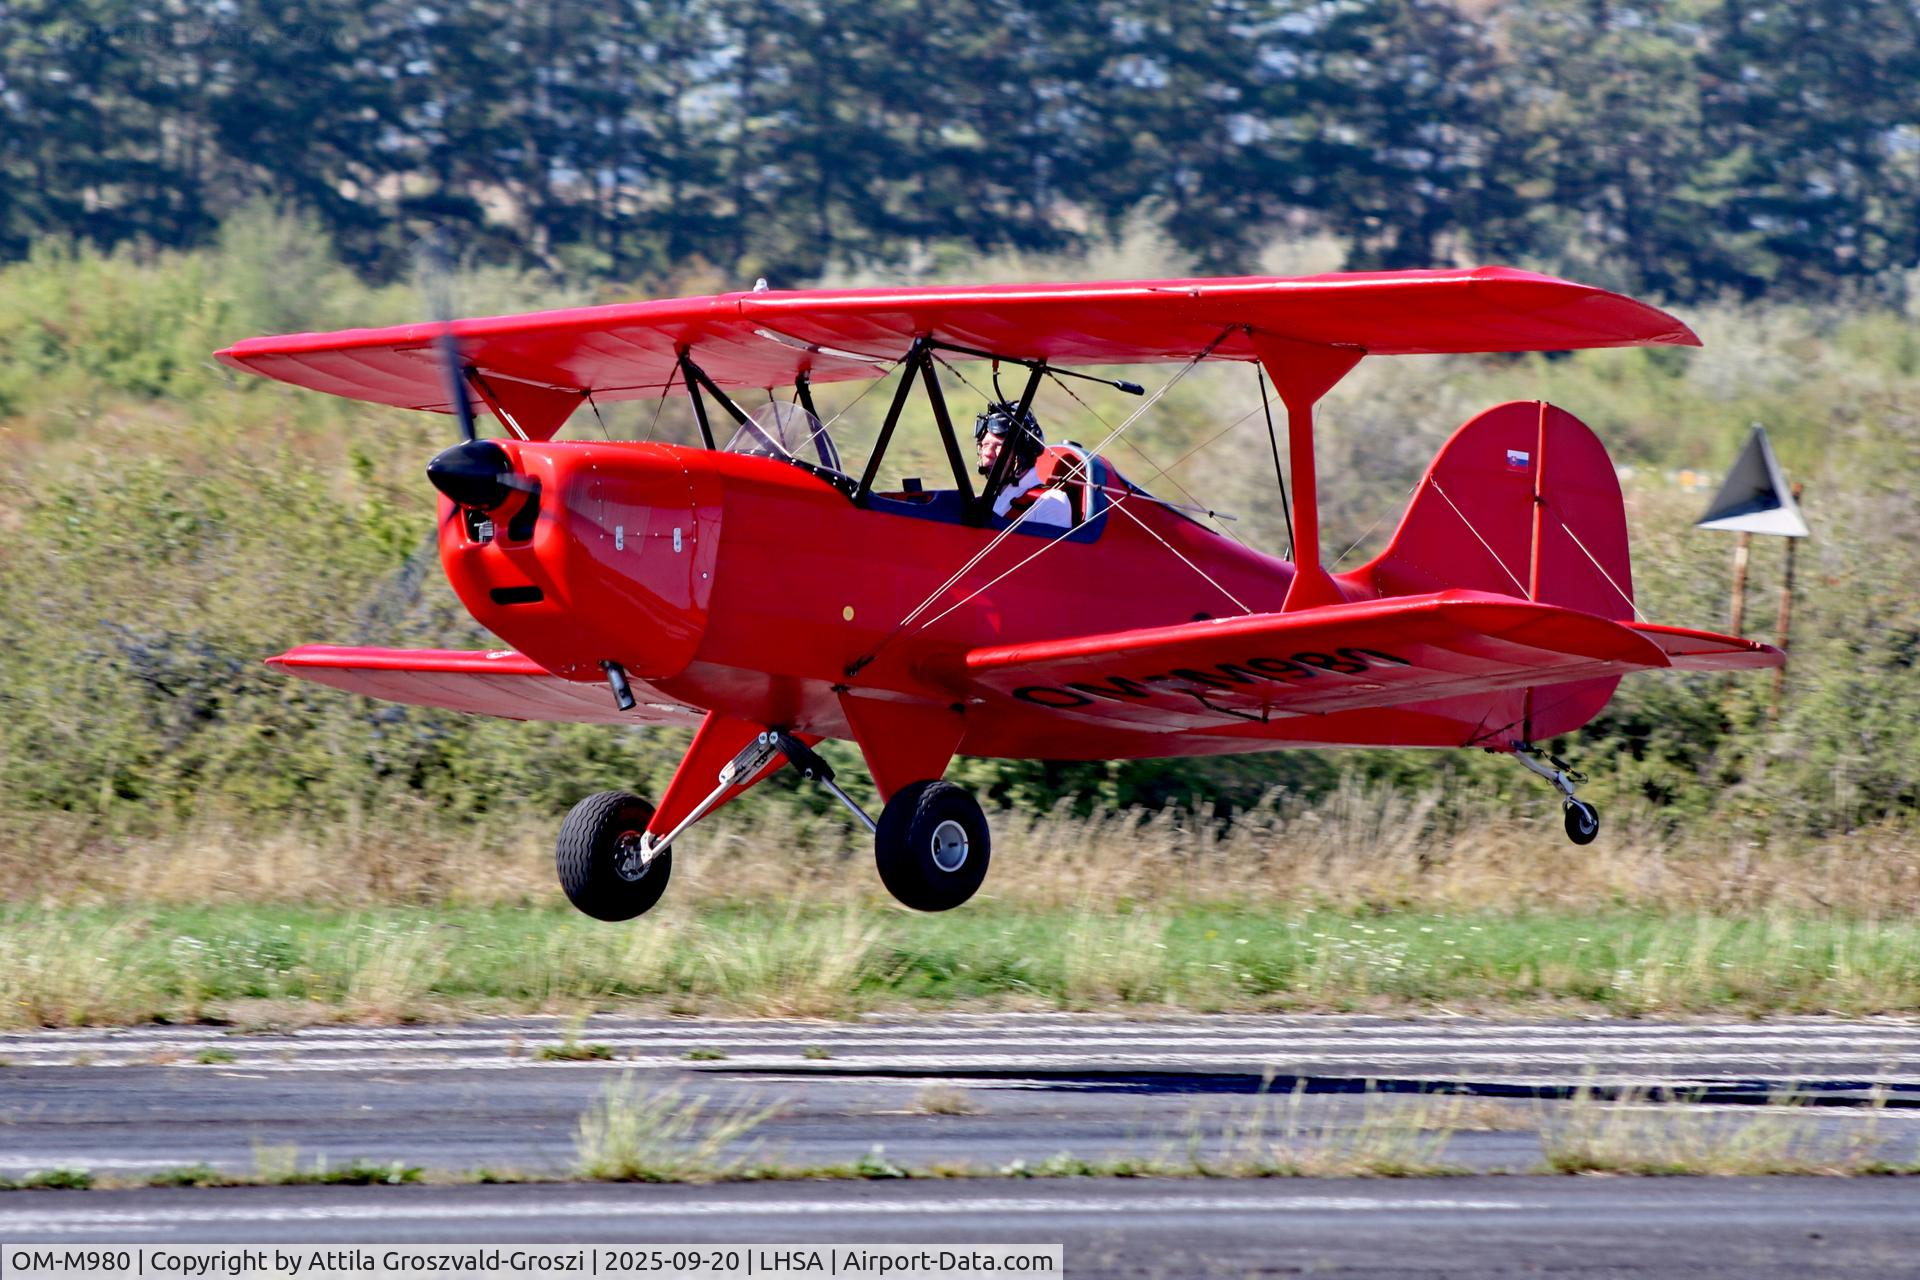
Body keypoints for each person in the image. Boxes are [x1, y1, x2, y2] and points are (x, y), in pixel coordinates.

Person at [974, 402, 1075, 528]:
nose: (987, 453)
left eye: (999, 446)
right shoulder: (986, 502)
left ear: (1022, 453)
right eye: (985, 445)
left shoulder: (1051, 502)